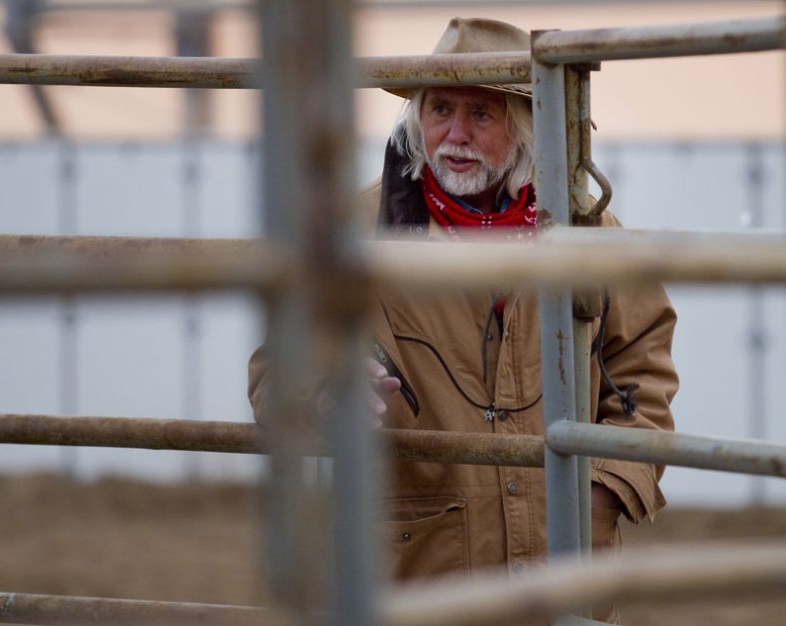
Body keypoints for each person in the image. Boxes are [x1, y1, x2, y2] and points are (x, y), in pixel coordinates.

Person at [248, 17, 677, 624]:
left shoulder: (587, 231)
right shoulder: (348, 232)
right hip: (416, 573)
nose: (455, 133)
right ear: (416, 117)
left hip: (565, 565)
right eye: (440, 107)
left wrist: (608, 486)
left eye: (482, 114)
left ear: (527, 128)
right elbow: (276, 368)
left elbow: (641, 370)